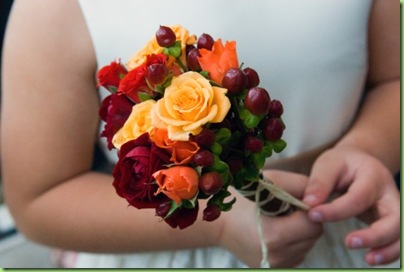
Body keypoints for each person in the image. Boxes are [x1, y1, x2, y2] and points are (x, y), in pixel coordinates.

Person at [1, 0, 399, 268]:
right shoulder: (54, 8)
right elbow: (38, 195)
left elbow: (393, 80)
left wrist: (366, 147)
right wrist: (221, 224)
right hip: (155, 249)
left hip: (336, 222)